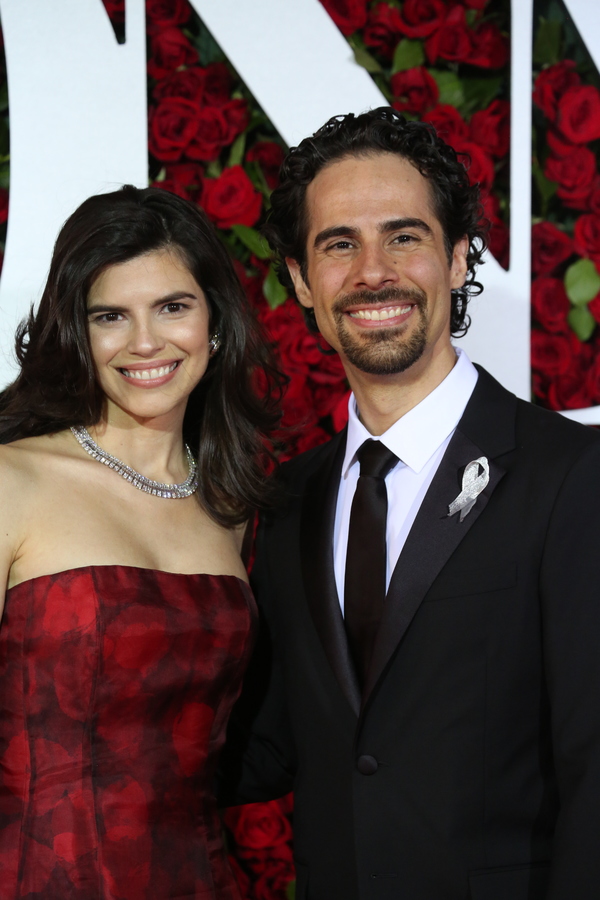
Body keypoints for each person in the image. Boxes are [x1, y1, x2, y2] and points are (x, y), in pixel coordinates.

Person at [220, 108, 600, 899]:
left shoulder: (572, 477)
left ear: (459, 258)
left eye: (404, 237)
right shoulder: (287, 500)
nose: (372, 273)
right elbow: (276, 743)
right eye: (338, 245)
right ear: (300, 279)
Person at [0, 185, 280, 899]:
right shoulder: (12, 479)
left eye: (173, 307)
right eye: (110, 316)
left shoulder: (232, 507)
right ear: (77, 333)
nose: (145, 342)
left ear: (216, 324)